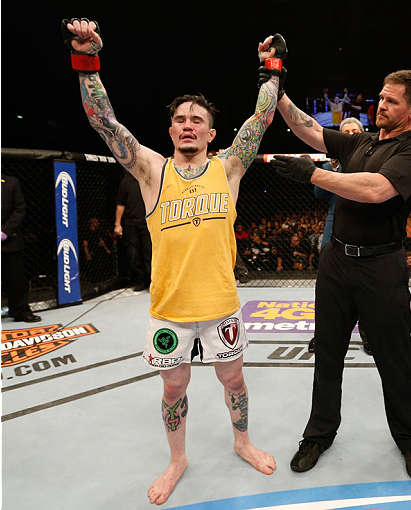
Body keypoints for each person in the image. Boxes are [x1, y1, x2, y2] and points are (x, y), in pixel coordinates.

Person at [62, 18, 284, 505]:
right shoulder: (150, 169)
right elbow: (104, 121)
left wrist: (272, 70)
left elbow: (261, 121)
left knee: (234, 380)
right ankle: (178, 459)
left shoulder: (229, 166)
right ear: (170, 130)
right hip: (169, 308)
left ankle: (242, 441)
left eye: (197, 119)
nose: (188, 124)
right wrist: (87, 61)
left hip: (222, 304)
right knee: (173, 388)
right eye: (181, 118)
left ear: (210, 132)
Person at [267, 68, 411, 481]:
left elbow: (375, 190)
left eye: (392, 101)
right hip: (337, 261)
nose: (381, 105)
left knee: (395, 358)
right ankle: (319, 434)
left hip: (382, 265)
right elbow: (306, 128)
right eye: (381, 97)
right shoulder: (360, 141)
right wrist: (275, 87)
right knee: (327, 351)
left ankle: (410, 441)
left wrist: (312, 173)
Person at [309, 117, 371, 355]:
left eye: (355, 131)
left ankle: (368, 336)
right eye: (346, 132)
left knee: (366, 287)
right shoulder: (329, 166)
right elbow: (319, 193)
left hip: (365, 229)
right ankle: (324, 336)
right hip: (334, 230)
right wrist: (333, 167)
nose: (351, 135)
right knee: (328, 289)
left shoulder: (372, 161)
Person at [1, 173, 42, 323]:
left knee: (15, 279)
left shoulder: (11, 182)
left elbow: (20, 209)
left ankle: (20, 311)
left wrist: (5, 231)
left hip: (9, 240)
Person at [114, 171, 152, 292]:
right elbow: (120, 204)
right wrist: (117, 224)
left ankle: (153, 281)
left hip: (148, 222)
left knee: (150, 252)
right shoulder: (126, 182)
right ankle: (140, 281)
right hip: (130, 223)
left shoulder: (149, 180)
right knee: (133, 253)